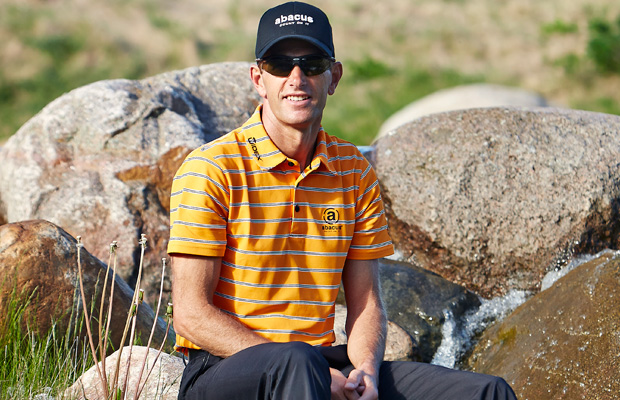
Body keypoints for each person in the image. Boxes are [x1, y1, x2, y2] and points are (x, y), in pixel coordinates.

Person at [167, 2, 518, 399]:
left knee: (487, 391)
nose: (296, 78)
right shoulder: (212, 169)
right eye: (280, 65)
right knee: (297, 361)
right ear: (258, 79)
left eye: (312, 64)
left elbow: (366, 303)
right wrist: (314, 373)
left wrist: (364, 372)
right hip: (223, 369)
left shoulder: (353, 171)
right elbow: (191, 316)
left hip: (319, 361)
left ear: (333, 77)